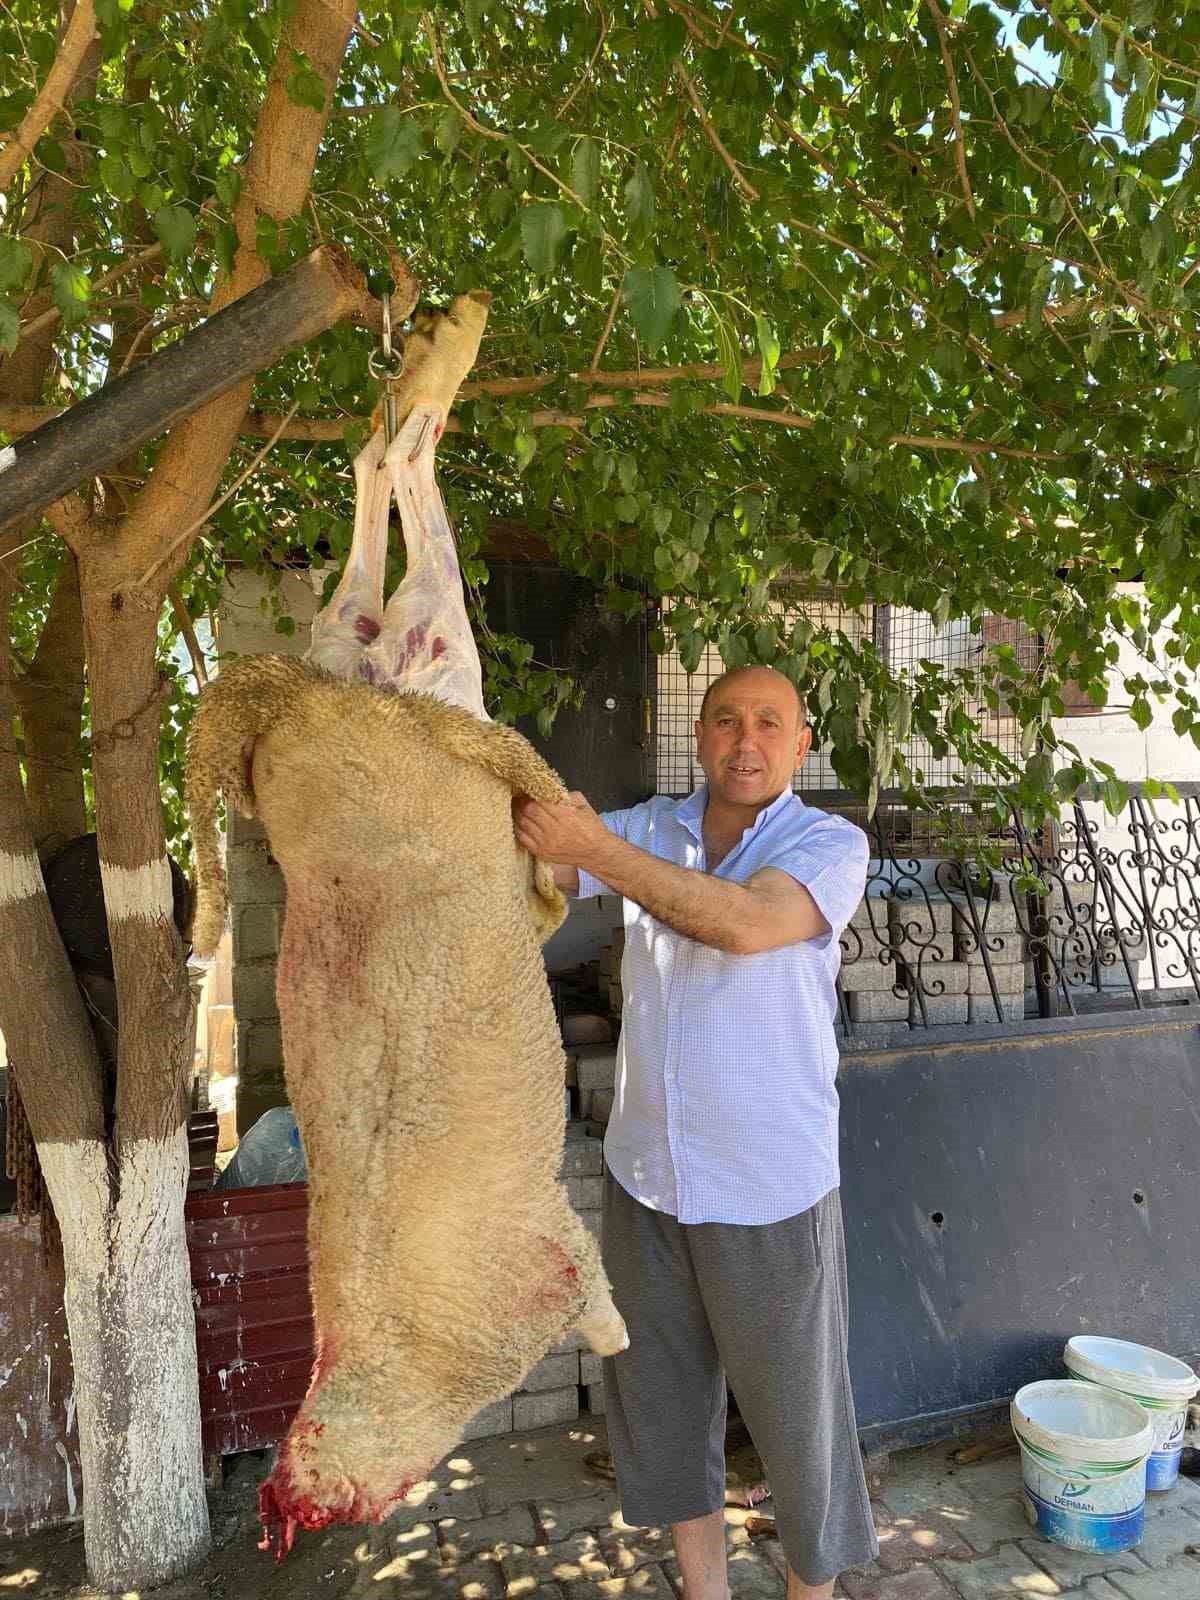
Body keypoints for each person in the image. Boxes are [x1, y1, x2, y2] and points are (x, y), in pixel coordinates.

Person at [513, 664, 878, 1600]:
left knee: (799, 1423)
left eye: (768, 723)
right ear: (700, 737)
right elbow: (547, 862)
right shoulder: (650, 828)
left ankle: (811, 1592)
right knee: (665, 1407)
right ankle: (703, 1590)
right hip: (648, 1177)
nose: (744, 741)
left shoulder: (827, 842)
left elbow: (750, 923)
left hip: (768, 1185)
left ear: (800, 745)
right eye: (725, 721)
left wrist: (599, 847)